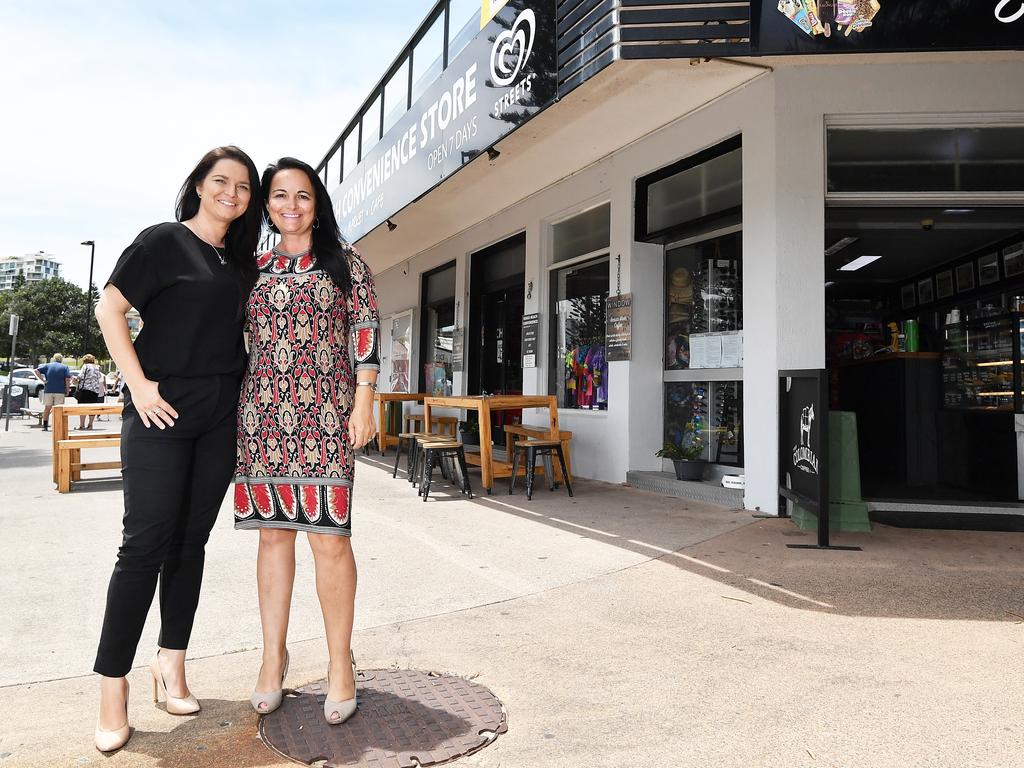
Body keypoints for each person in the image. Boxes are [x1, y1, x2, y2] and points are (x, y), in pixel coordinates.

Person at [91, 146, 262, 753]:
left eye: (244, 187)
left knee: (191, 543)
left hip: (220, 415)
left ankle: (172, 664)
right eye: (222, 181)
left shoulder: (240, 264)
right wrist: (137, 386)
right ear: (197, 185)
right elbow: (109, 307)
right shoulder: (163, 241)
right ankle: (115, 686)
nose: (232, 194)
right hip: (159, 410)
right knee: (144, 545)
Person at [234, 157, 379, 725]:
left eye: (302, 195)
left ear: (317, 204)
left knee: (330, 541)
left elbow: (365, 335)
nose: (290, 206)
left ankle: (340, 662)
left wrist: (364, 402)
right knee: (272, 538)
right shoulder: (252, 268)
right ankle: (273, 658)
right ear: (266, 206)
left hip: (326, 416)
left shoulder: (347, 265)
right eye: (278, 196)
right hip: (262, 417)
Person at [35, 353, 71, 431]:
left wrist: (43, 380)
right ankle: (58, 425)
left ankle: (45, 425)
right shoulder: (65, 367)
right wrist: (67, 389)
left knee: (47, 407)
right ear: (61, 359)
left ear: (54, 358)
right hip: (60, 390)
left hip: (48, 389)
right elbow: (67, 379)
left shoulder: (47, 365)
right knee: (59, 408)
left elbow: (36, 370)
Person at [75, 354, 106, 429]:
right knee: (92, 408)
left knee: (82, 407)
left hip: (85, 389)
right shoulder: (96, 367)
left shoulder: (85, 366)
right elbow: (99, 377)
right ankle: (90, 425)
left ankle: (82, 425)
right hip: (95, 390)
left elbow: (80, 376)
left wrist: (75, 379)